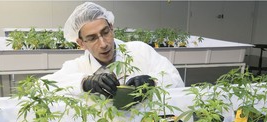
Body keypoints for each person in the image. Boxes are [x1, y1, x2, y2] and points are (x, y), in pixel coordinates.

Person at [42, 2, 184, 97]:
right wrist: (85, 83)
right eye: (92, 38)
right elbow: (41, 88)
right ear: (81, 43)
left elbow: (176, 80)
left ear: (112, 28)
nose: (103, 44)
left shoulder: (140, 51)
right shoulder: (77, 67)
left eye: (105, 32)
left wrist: (153, 81)